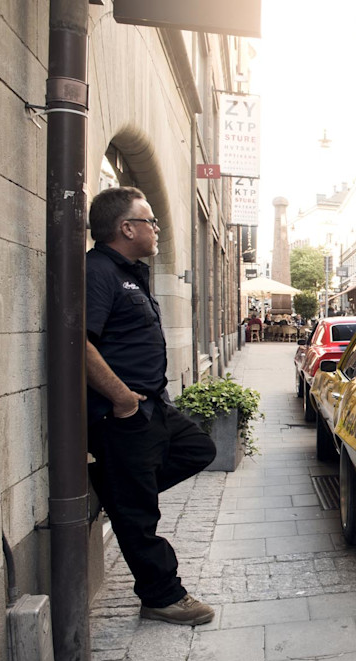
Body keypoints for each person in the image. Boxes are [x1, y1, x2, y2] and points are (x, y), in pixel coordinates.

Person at [85, 186, 217, 626]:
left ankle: (118, 492)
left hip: (152, 407)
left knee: (199, 448)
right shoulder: (98, 271)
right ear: (126, 228)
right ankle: (163, 596)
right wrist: (121, 397)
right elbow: (77, 344)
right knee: (140, 516)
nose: (156, 228)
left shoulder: (129, 272)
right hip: (122, 414)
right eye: (149, 221)